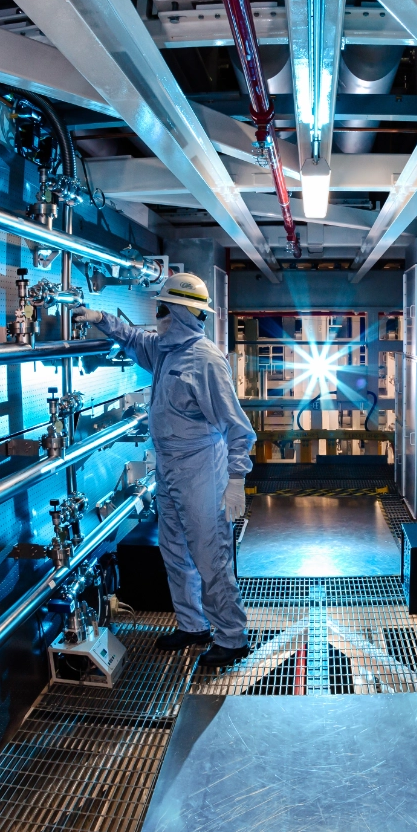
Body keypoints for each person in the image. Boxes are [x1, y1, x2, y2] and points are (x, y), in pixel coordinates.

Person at [75, 272, 255, 668]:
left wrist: (236, 479)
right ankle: (193, 626)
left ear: (177, 310)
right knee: (174, 551)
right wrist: (100, 319)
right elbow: (135, 339)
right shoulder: (165, 349)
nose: (156, 315)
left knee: (211, 556)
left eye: (161, 308)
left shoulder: (206, 359)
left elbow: (237, 426)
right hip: (170, 468)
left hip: (201, 468)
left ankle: (232, 637)